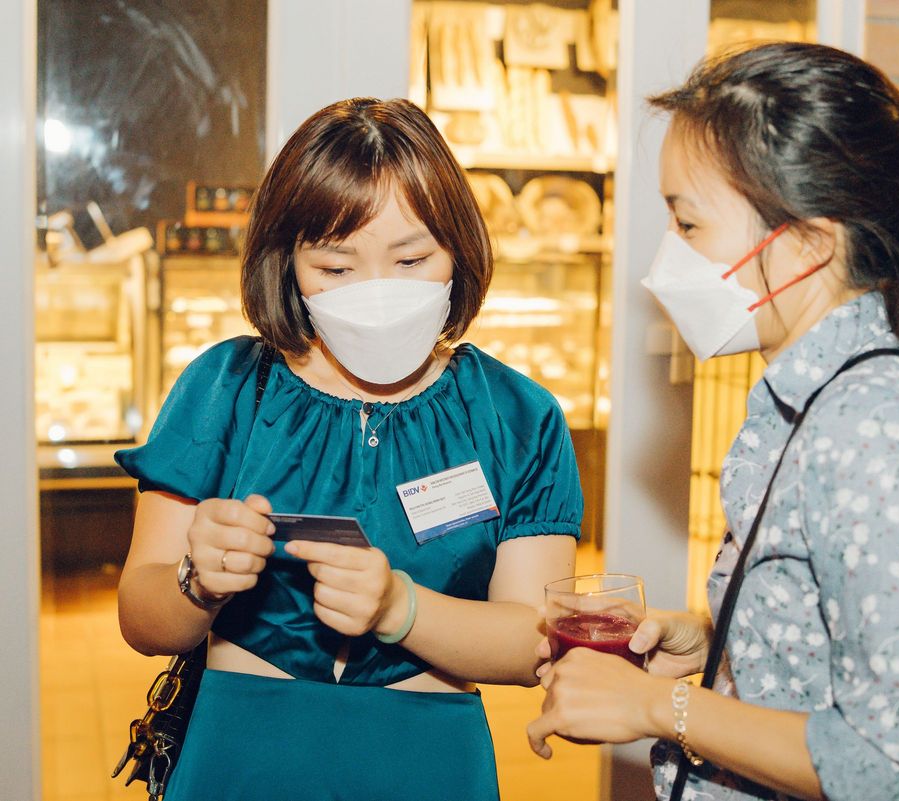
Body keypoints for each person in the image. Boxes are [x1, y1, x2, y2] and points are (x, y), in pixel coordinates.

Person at [527, 42, 899, 801]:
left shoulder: (877, 429)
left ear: (804, 245)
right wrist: (718, 644)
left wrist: (659, 706)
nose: (667, 259)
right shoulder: (820, 397)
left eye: (689, 224)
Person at [115, 97, 582, 801]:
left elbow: (532, 644)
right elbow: (141, 618)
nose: (377, 294)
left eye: (411, 259)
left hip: (428, 760)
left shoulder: (516, 416)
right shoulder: (227, 387)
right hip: (242, 752)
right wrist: (196, 580)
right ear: (288, 264)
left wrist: (400, 607)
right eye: (336, 268)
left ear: (458, 250)